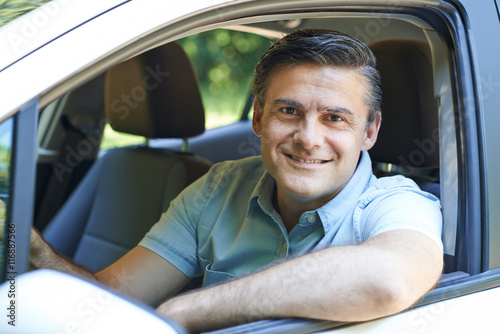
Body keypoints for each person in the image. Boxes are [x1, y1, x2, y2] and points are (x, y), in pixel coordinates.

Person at [30, 29, 443, 333]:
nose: (309, 138)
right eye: (289, 111)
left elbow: (387, 280)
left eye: (335, 118)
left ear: (369, 132)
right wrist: (27, 248)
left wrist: (184, 312)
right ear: (259, 118)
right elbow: (109, 300)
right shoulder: (218, 188)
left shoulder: (400, 204)